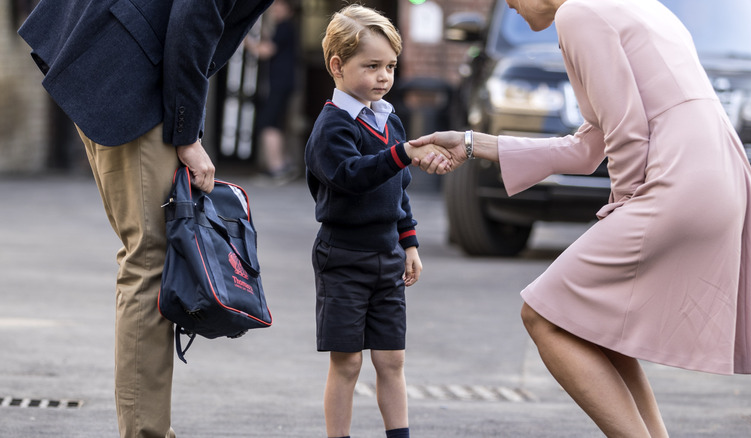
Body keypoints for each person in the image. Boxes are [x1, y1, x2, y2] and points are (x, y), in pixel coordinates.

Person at [411, 0, 751, 436]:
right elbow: (589, 144)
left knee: (543, 316)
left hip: (678, 180)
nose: (508, 3)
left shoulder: (579, 14)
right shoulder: (628, 5)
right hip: (718, 174)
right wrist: (471, 142)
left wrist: (624, 205)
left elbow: (626, 133)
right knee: (595, 325)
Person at [18, 1, 276, 436]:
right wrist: (187, 132)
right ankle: (145, 432)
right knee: (151, 261)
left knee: (145, 256)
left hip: (112, 55)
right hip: (130, 70)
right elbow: (193, 20)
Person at [304, 5, 450, 438]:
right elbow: (352, 176)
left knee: (392, 360)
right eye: (371, 66)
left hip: (388, 255)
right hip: (343, 257)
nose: (384, 76)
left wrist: (409, 244)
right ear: (337, 66)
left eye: (389, 66)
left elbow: (396, 189)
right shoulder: (332, 128)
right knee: (347, 361)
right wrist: (402, 154)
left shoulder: (391, 120)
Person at [244, 0, 299, 182]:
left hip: (279, 83)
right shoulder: (284, 28)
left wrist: (243, 38)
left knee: (267, 122)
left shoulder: (284, 27)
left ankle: (277, 168)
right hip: (282, 83)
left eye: (279, 6)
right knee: (275, 122)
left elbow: (265, 51)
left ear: (288, 10)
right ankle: (282, 165)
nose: (275, 9)